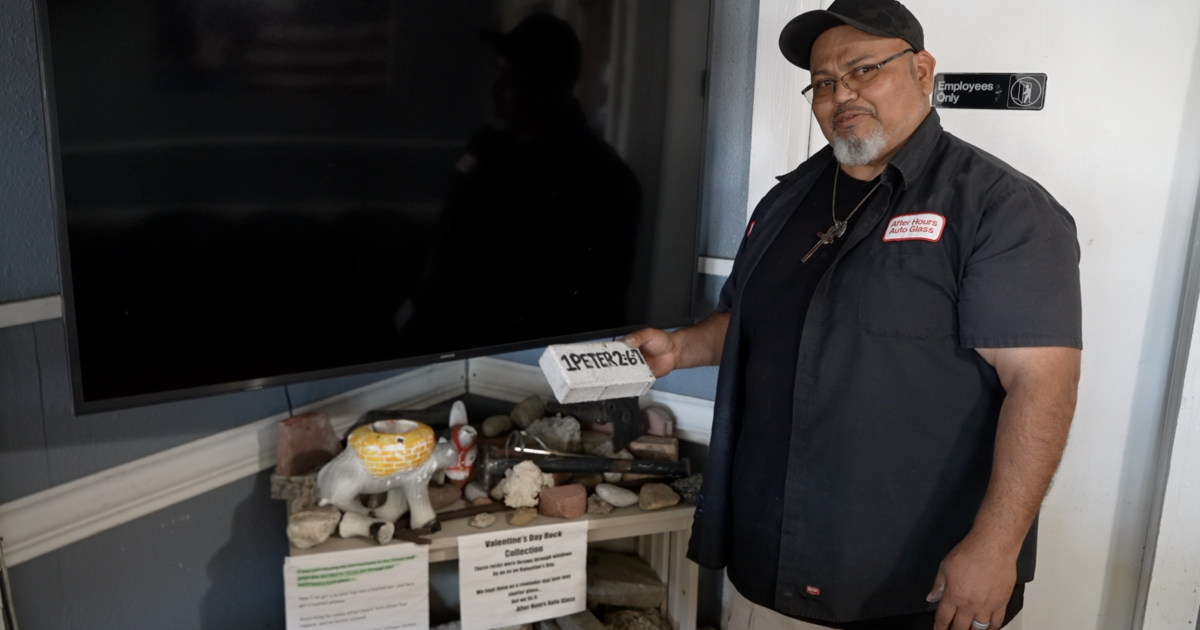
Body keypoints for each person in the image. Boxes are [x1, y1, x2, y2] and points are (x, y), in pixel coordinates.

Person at [623, 1, 1081, 629]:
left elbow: (1042, 382)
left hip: (911, 580)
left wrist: (997, 546)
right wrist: (680, 349)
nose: (844, 94)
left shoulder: (1002, 209)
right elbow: (754, 322)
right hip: (772, 560)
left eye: (864, 70)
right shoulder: (788, 200)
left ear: (922, 70)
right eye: (825, 82)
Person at [402, 13, 642, 353]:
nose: (496, 87)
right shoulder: (487, 145)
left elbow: (592, 305)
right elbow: (448, 239)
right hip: (445, 344)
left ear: (553, 85)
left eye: (514, 76)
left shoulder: (604, 179)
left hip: (529, 362)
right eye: (497, 70)